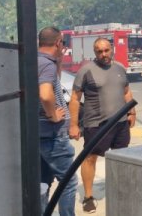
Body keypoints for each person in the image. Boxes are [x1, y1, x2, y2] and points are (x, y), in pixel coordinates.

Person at [68, 37, 136, 213]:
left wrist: (132, 113)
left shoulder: (120, 68)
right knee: (90, 158)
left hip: (120, 124)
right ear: (95, 52)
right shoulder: (86, 71)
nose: (103, 54)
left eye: (106, 50)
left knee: (121, 158)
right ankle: (88, 197)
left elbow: (127, 92)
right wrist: (73, 125)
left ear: (111, 49)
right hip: (96, 124)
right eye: (99, 51)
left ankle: (120, 191)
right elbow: (75, 99)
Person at [37, 26, 77, 216]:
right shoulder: (46, 64)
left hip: (39, 134)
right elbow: (45, 95)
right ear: (58, 42)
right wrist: (53, 114)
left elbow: (54, 84)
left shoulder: (35, 61)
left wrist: (58, 61)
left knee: (44, 182)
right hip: (53, 136)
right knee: (68, 182)